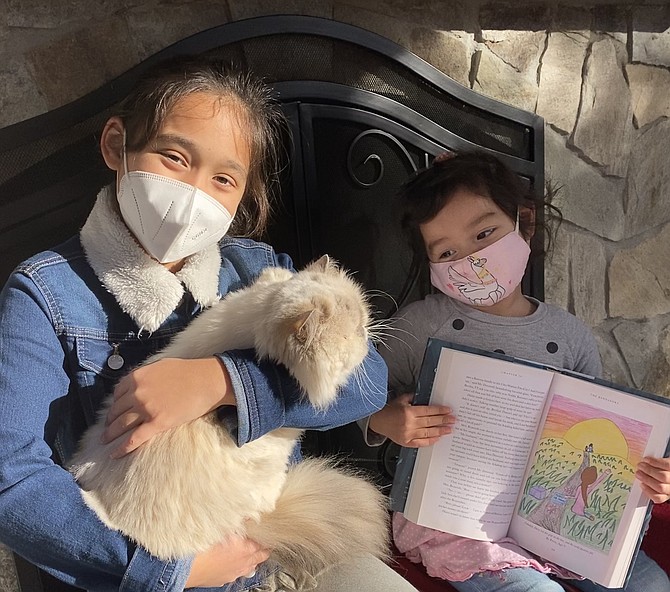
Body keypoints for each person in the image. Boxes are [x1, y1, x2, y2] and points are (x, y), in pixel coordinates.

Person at [0, 56, 418, 592]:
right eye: (174, 157)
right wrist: (169, 569)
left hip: (267, 552)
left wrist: (223, 384)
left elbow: (365, 383)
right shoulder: (45, 293)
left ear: (243, 194)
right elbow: (12, 472)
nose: (194, 194)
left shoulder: (258, 269)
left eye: (223, 178)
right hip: (139, 561)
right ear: (115, 146)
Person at [362, 151, 670, 592]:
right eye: (447, 251)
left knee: (651, 584)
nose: (473, 259)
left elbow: (604, 429)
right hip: (457, 524)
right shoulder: (421, 324)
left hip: (555, 516)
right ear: (430, 264)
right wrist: (386, 419)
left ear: (523, 223)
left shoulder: (569, 334)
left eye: (485, 233)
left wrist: (649, 476)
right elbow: (358, 393)